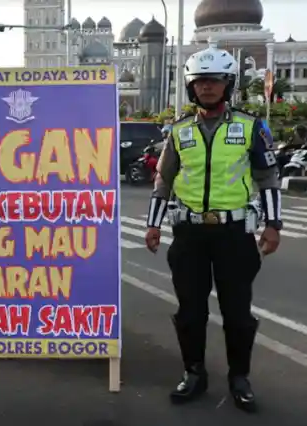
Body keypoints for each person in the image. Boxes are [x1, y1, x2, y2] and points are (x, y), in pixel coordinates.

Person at [143, 45, 282, 412]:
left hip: (233, 234)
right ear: (191, 86)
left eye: (215, 80)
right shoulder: (178, 131)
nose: (207, 87)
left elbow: (268, 177)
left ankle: (239, 377)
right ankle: (194, 373)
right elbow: (163, 181)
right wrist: (153, 225)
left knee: (237, 311)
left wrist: (273, 225)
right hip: (189, 235)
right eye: (200, 81)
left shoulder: (251, 127)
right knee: (190, 310)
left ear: (228, 84)